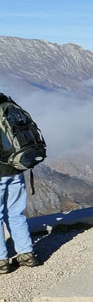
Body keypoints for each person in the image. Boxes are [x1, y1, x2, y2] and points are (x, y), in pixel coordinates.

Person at [0, 93, 43, 274]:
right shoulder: (8, 103)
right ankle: (26, 253)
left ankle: (2, 260)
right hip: (16, 167)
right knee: (16, 213)